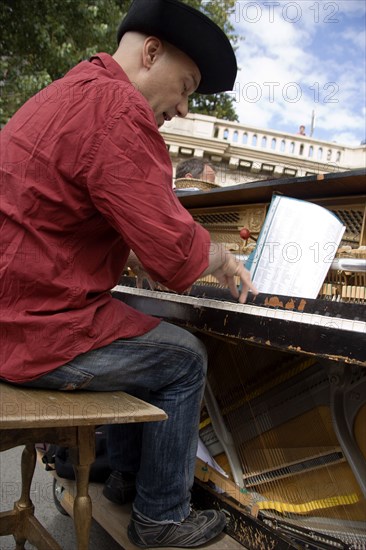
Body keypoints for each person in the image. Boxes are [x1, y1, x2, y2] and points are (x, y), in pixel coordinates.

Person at [0, 0, 257, 547]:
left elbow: (86, 219)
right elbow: (175, 259)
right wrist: (225, 258)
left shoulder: (64, 92)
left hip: (12, 316)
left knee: (130, 316)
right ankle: (161, 516)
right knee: (185, 358)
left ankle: (121, 476)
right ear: (151, 52)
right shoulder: (119, 111)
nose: (184, 108)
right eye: (185, 87)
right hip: (34, 335)